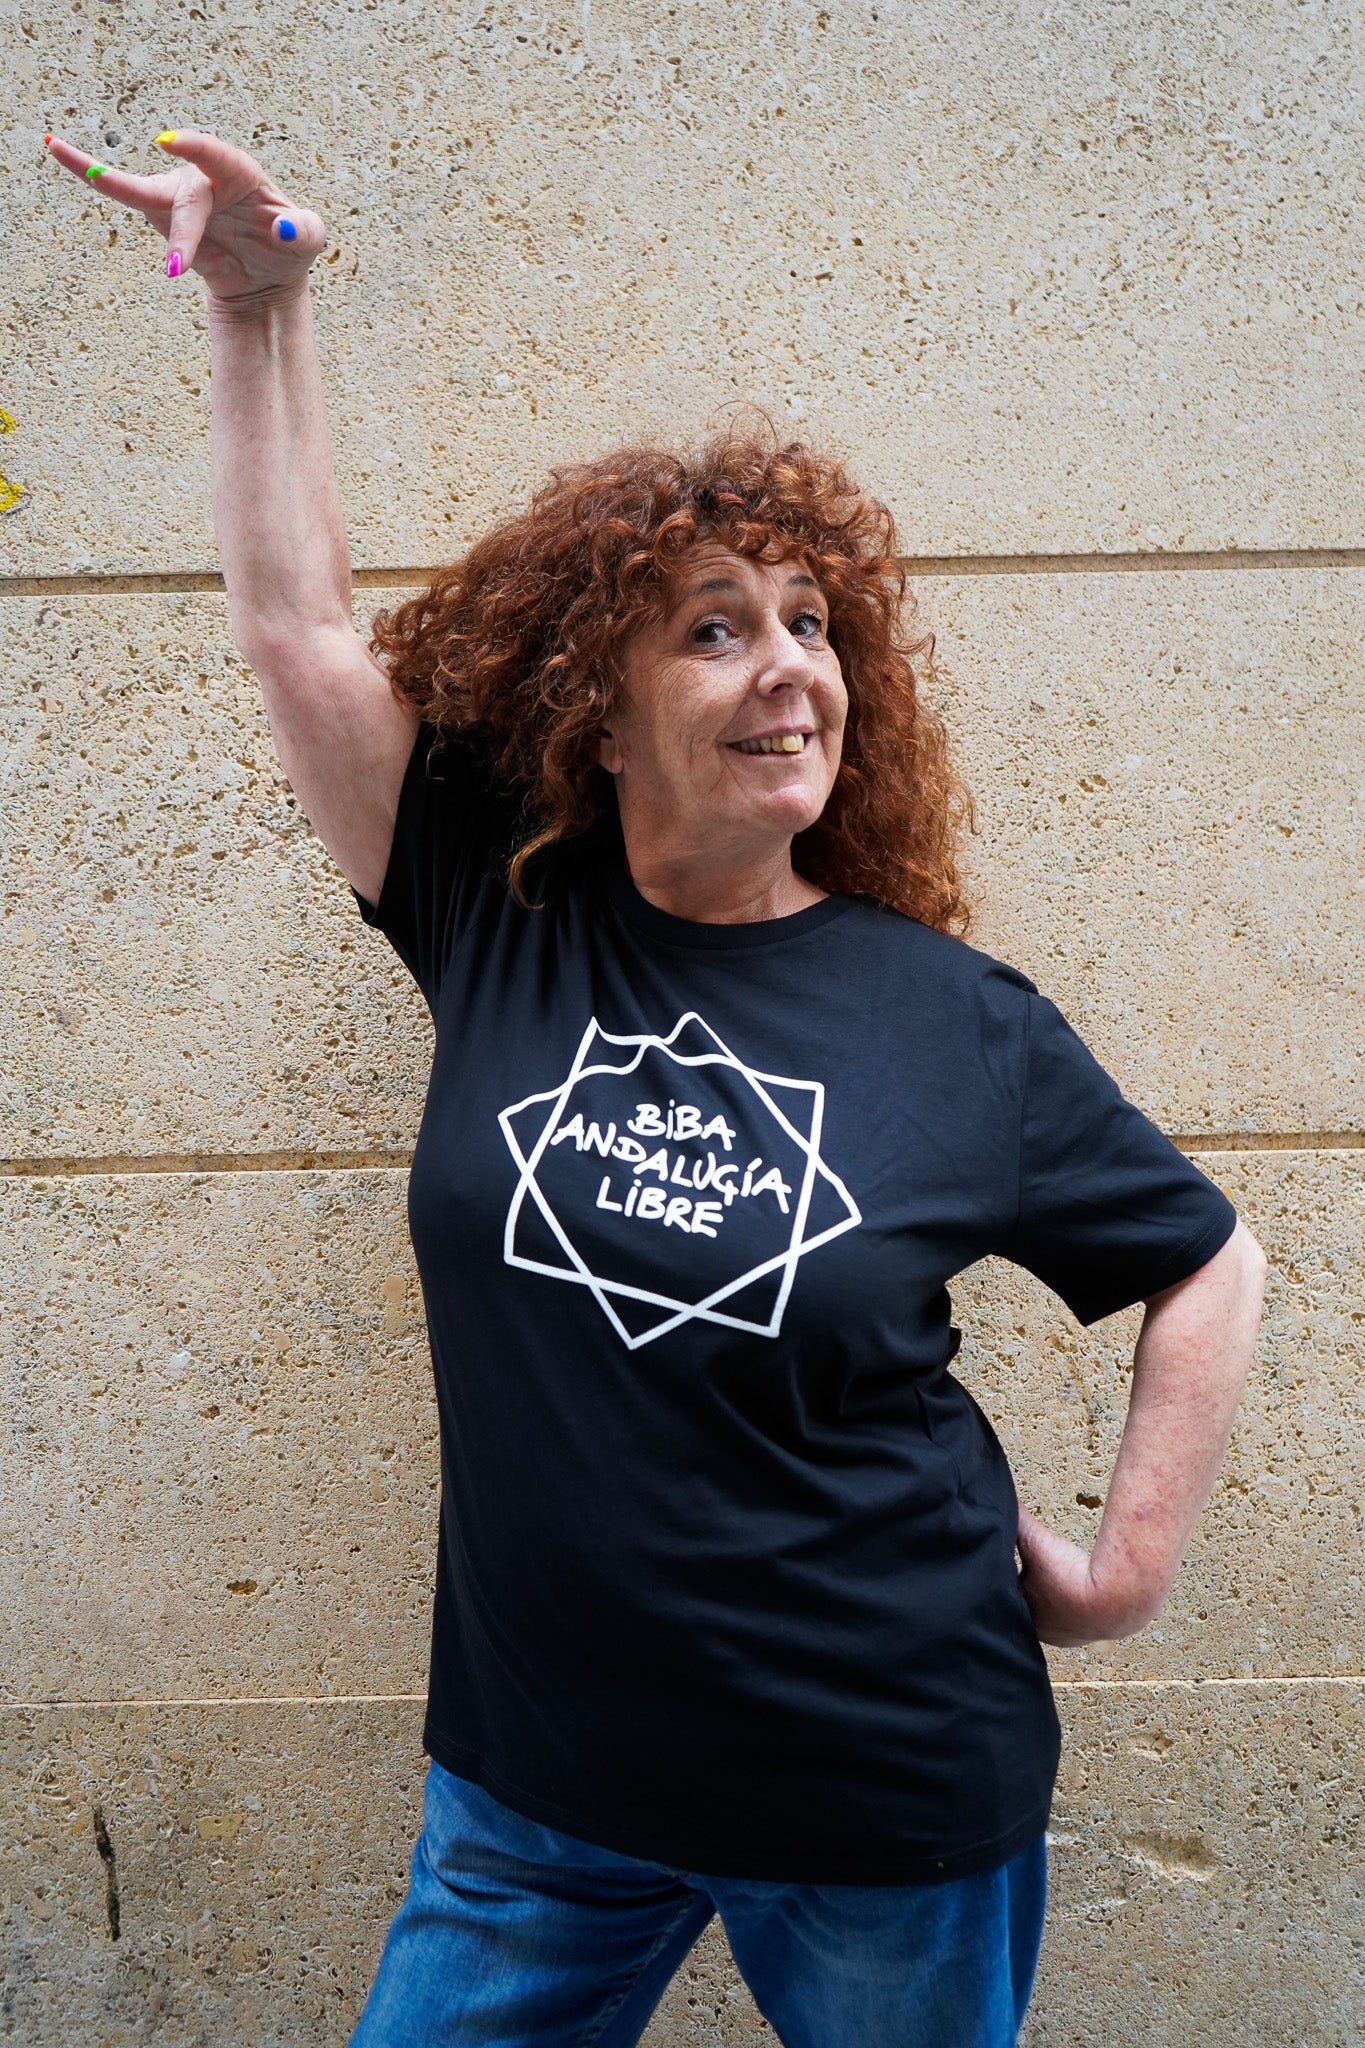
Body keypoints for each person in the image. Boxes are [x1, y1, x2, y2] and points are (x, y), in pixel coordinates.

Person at [49, 129, 1267, 2048]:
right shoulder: (496, 909)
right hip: (534, 1797)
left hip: (883, 1796)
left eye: (807, 624)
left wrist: (1122, 1570)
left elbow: (1202, 1259)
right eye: (714, 627)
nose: (788, 669)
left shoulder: (954, 1018)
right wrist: (259, 312)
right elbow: (294, 630)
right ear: (597, 717)